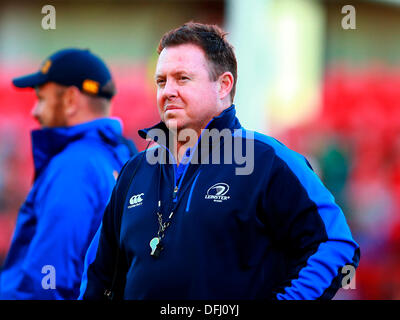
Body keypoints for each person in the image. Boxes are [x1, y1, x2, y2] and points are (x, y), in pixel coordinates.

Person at [80, 22, 360, 300]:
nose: (168, 91)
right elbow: (100, 272)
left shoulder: (269, 161)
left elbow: (335, 245)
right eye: (161, 81)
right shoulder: (135, 170)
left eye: (182, 78)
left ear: (223, 85)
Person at [0, 48, 137, 300]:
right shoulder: (120, 157)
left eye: (42, 98)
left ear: (71, 100)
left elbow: (50, 282)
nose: (35, 111)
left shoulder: (74, 166)